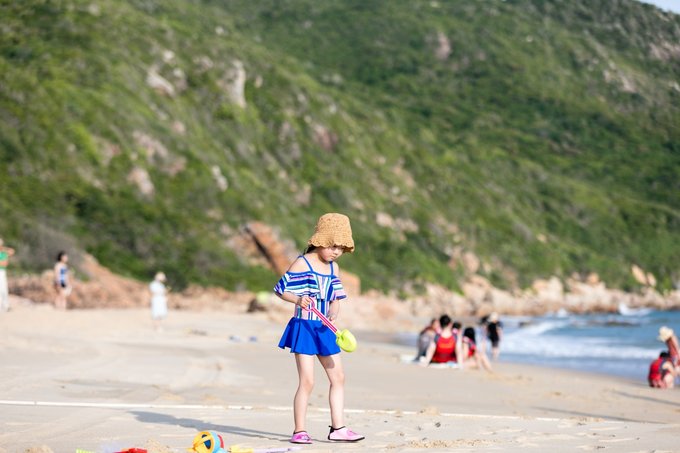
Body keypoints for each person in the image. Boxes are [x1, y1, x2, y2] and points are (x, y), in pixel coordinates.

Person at [274, 213, 364, 444]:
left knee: (338, 377)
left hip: (326, 329)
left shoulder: (334, 269)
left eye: (341, 248)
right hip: (304, 326)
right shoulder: (302, 263)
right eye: (333, 246)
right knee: (307, 381)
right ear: (321, 240)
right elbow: (281, 289)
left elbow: (336, 298)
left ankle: (338, 428)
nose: (336, 252)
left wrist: (334, 309)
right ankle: (299, 431)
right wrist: (297, 299)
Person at [0, 238, 15, 312]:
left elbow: (12, 251)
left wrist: (3, 248)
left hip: (2, 272)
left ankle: (5, 305)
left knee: (4, 289)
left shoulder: (3, 253)